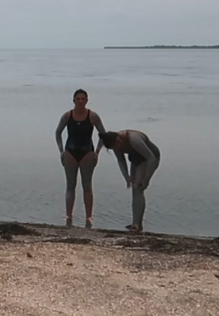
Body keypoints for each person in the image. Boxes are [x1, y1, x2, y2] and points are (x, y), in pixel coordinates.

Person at [54, 89, 109, 227]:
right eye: (78, 99)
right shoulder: (67, 116)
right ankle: (68, 216)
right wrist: (61, 150)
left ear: (86, 100)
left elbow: (103, 134)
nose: (80, 101)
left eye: (83, 99)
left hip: (87, 152)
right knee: (70, 186)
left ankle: (89, 217)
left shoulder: (92, 116)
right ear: (73, 100)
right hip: (70, 152)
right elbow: (58, 133)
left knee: (87, 186)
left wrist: (97, 151)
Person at [100, 129, 161, 233]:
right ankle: (137, 223)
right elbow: (121, 160)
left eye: (118, 143)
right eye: (115, 147)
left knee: (138, 188)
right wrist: (126, 176)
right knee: (134, 189)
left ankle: (136, 224)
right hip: (135, 159)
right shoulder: (114, 144)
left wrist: (147, 179)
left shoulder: (133, 139)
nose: (118, 147)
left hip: (150, 158)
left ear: (119, 137)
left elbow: (151, 158)